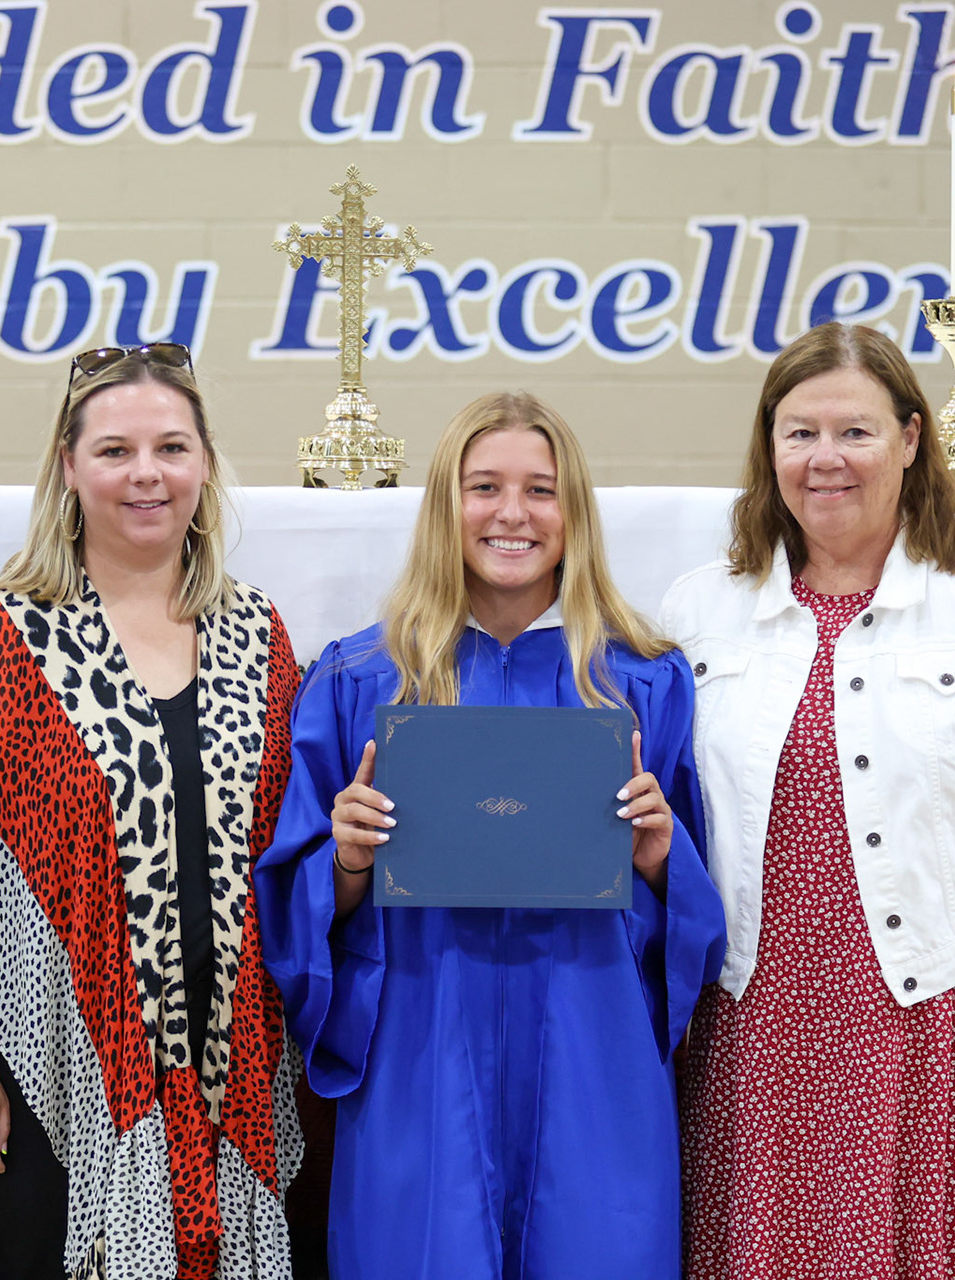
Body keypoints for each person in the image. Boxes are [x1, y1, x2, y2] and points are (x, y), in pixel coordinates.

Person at [662, 323, 955, 1279]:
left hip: (945, 1017)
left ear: (912, 439)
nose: (825, 458)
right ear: (768, 447)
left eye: (855, 432)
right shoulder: (698, 610)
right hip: (759, 1023)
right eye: (799, 433)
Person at [254, 391, 726, 1280]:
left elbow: (701, 925)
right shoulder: (363, 678)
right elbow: (293, 902)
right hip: (421, 1054)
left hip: (594, 1052)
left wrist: (661, 863)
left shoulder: (641, 680)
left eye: (541, 490)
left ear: (573, 511)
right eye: (484, 487)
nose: (512, 513)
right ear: (445, 506)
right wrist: (346, 863)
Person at [0, 343, 303, 1280]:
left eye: (172, 447)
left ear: (205, 463)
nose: (146, 474)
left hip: (232, 1063)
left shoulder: (258, 633)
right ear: (69, 467)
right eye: (115, 450)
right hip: (58, 1056)